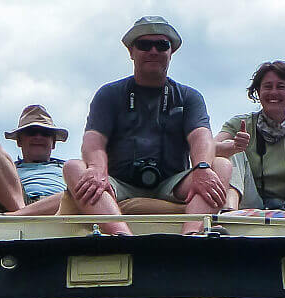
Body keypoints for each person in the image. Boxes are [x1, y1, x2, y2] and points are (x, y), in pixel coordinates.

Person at [60, 16, 232, 235]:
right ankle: (122, 236)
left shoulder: (189, 97)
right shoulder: (109, 94)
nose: (153, 51)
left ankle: (192, 235)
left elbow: (201, 136)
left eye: (161, 45)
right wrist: (96, 169)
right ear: (131, 52)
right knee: (74, 167)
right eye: (144, 45)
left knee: (221, 166)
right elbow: (94, 141)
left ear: (171, 52)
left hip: (172, 183)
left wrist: (202, 168)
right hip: (118, 182)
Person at [215, 61, 285, 211]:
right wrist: (232, 146)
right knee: (231, 149)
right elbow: (207, 149)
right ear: (258, 92)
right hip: (250, 201)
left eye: (281, 87)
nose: (274, 92)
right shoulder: (241, 124)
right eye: (268, 87)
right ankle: (229, 210)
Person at [0, 105, 68, 215]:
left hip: (59, 207)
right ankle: (21, 214)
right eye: (31, 132)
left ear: (53, 142)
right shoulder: (4, 168)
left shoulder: (68, 168)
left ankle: (21, 216)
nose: (38, 137)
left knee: (73, 191)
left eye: (45, 133)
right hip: (11, 207)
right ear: (19, 141)